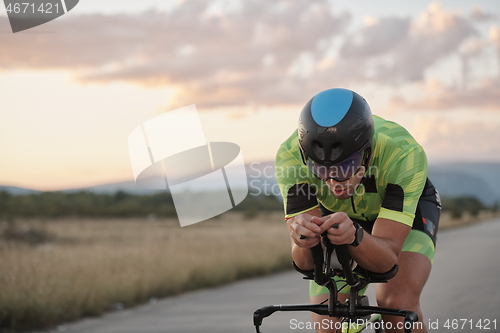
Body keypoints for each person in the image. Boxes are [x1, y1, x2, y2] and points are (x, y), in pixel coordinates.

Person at [275, 88, 441, 333]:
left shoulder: (403, 153)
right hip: (338, 217)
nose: (333, 182)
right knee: (327, 322)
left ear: (367, 152)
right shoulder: (290, 156)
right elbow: (306, 265)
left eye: (346, 166)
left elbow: (386, 262)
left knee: (396, 305)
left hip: (405, 214)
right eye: (321, 170)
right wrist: (302, 240)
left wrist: (355, 236)